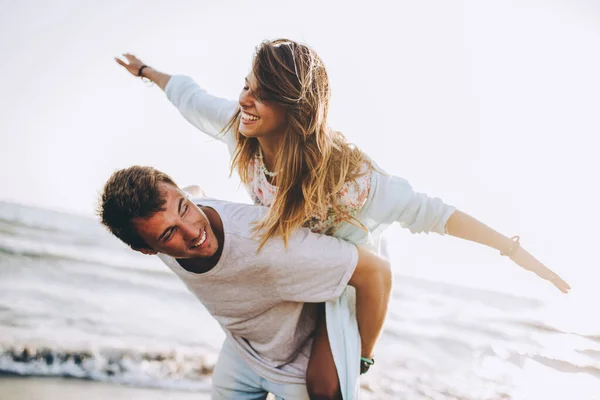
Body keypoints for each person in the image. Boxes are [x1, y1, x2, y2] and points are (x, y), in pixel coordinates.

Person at [115, 39, 570, 399]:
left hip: (342, 279)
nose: (245, 100)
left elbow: (435, 213)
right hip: (290, 263)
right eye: (247, 85)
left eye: (260, 94)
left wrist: (510, 249)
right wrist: (145, 72)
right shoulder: (241, 129)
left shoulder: (350, 179)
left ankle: (362, 362)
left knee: (326, 388)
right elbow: (190, 97)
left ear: (294, 107)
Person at [98, 165, 392, 400]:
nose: (192, 231)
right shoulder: (163, 232)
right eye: (168, 233)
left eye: (185, 207)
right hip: (241, 352)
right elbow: (194, 192)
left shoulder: (267, 242)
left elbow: (376, 272)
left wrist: (362, 358)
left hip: (295, 362)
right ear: (147, 250)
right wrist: (188, 202)